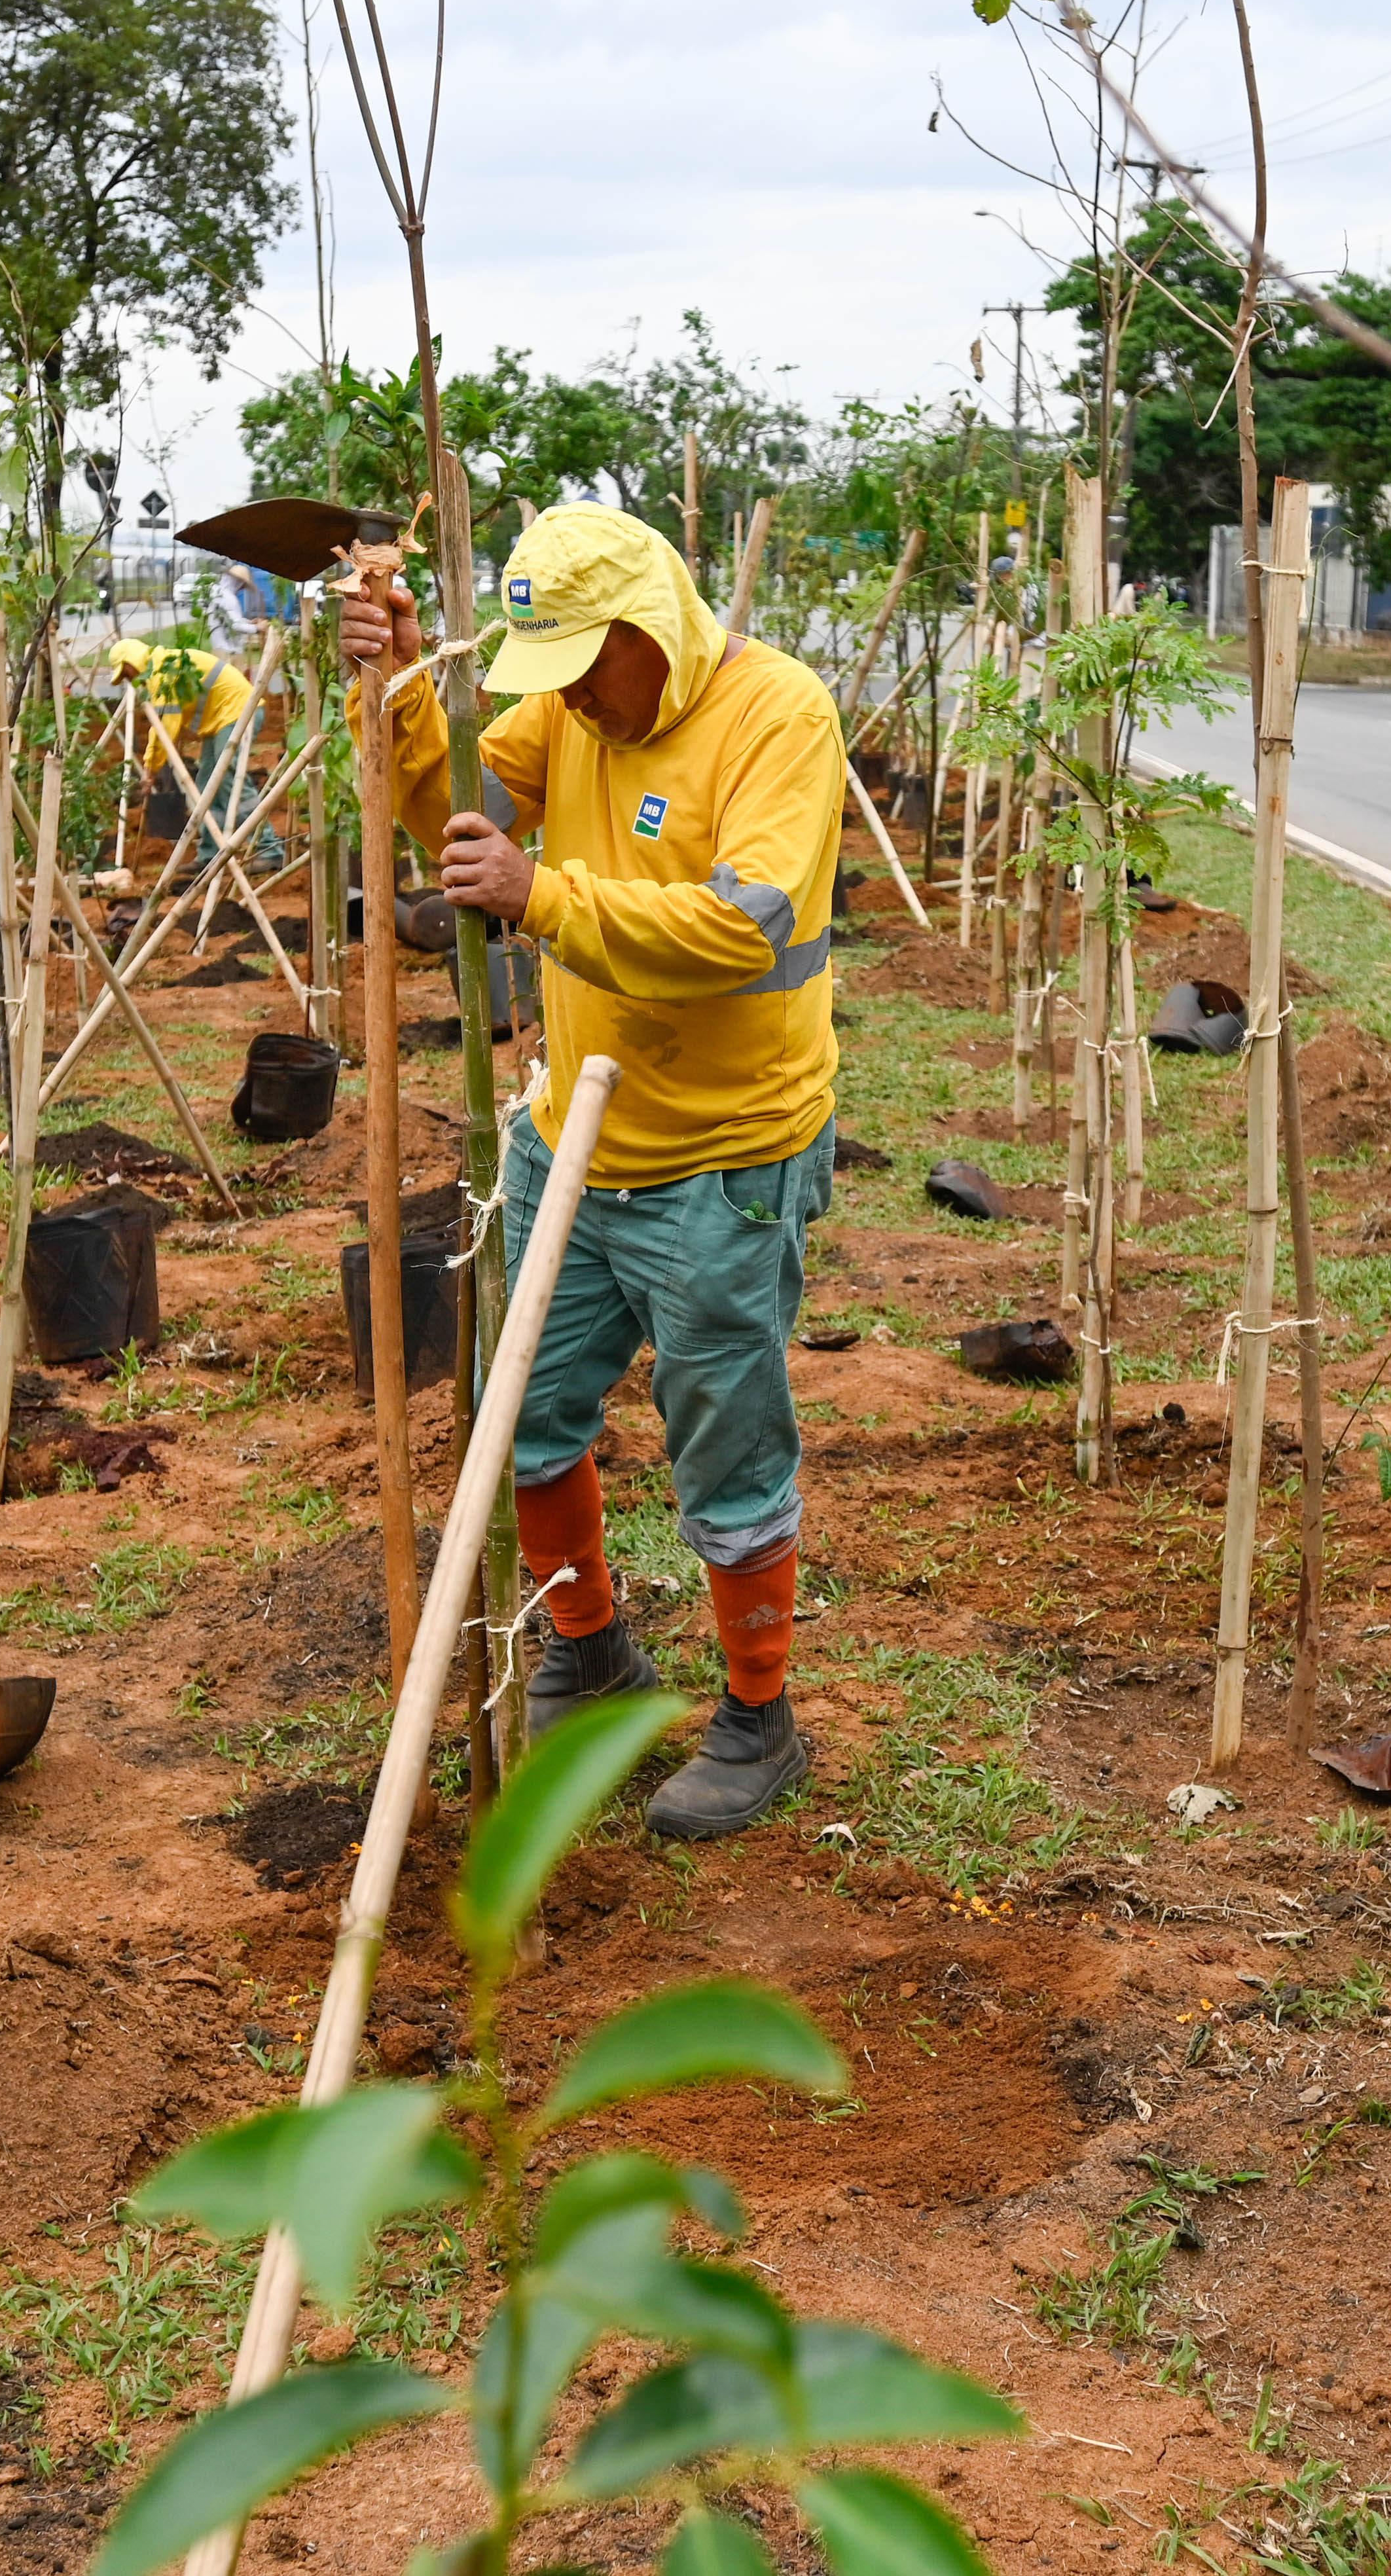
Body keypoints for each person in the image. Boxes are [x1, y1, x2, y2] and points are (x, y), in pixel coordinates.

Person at [342, 501, 844, 1840]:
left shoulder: (775, 714)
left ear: (650, 630)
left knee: (726, 1448)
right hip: (569, 1137)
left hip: (723, 1156)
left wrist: (543, 895)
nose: (557, 695)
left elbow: (749, 924)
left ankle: (757, 1717)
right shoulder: (568, 709)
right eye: (540, 668)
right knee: (524, 1412)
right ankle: (590, 1648)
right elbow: (463, 817)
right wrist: (400, 690)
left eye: (579, 662)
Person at [110, 635, 256, 862]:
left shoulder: (162, 672)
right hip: (221, 719)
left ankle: (270, 845)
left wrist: (151, 769)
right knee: (206, 786)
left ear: (133, 660)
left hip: (239, 711)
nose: (128, 680)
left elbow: (164, 728)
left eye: (125, 673)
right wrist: (151, 766)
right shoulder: (159, 667)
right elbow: (160, 725)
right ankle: (209, 853)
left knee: (228, 777)